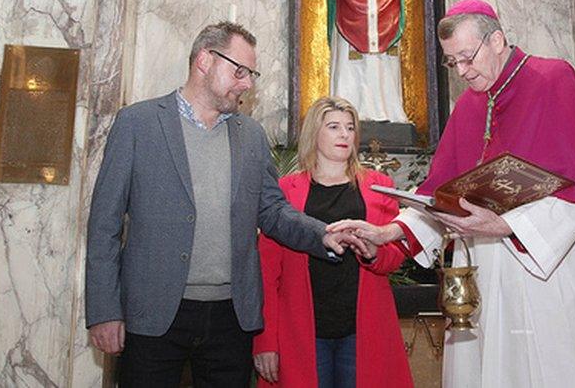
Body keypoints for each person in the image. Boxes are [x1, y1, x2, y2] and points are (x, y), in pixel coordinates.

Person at [330, 0, 575, 387]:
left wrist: (507, 225)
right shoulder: (470, 107)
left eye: (467, 57)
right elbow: (440, 194)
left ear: (497, 40)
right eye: (451, 62)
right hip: (489, 271)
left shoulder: (553, 79)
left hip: (551, 267)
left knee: (556, 363)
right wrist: (388, 232)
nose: (461, 71)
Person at [84, 22, 367, 388]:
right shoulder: (137, 123)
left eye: (250, 74)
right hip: (153, 314)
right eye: (240, 71)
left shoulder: (250, 135)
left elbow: (272, 210)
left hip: (231, 317)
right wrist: (104, 311)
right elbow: (103, 224)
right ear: (204, 60)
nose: (247, 83)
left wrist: (323, 235)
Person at [252, 97, 413, 388]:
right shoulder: (286, 190)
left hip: (363, 329)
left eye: (350, 128)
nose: (344, 135)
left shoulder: (379, 186)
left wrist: (375, 253)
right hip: (301, 330)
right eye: (334, 127)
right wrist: (265, 341)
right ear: (315, 133)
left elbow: (395, 256)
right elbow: (266, 271)